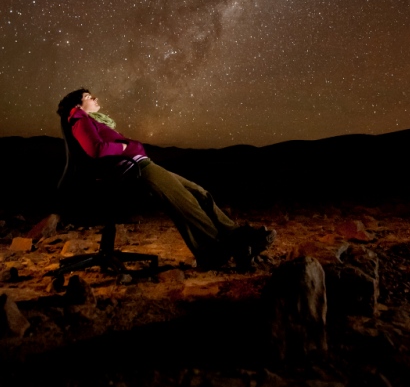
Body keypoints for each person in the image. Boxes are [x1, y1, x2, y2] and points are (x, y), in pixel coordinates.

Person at [57, 88, 276, 271]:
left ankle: (234, 236)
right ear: (77, 105)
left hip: (144, 165)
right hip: (136, 170)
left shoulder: (94, 121)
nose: (95, 99)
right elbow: (96, 149)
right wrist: (126, 146)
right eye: (88, 96)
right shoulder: (79, 119)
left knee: (199, 192)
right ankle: (223, 249)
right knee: (186, 204)